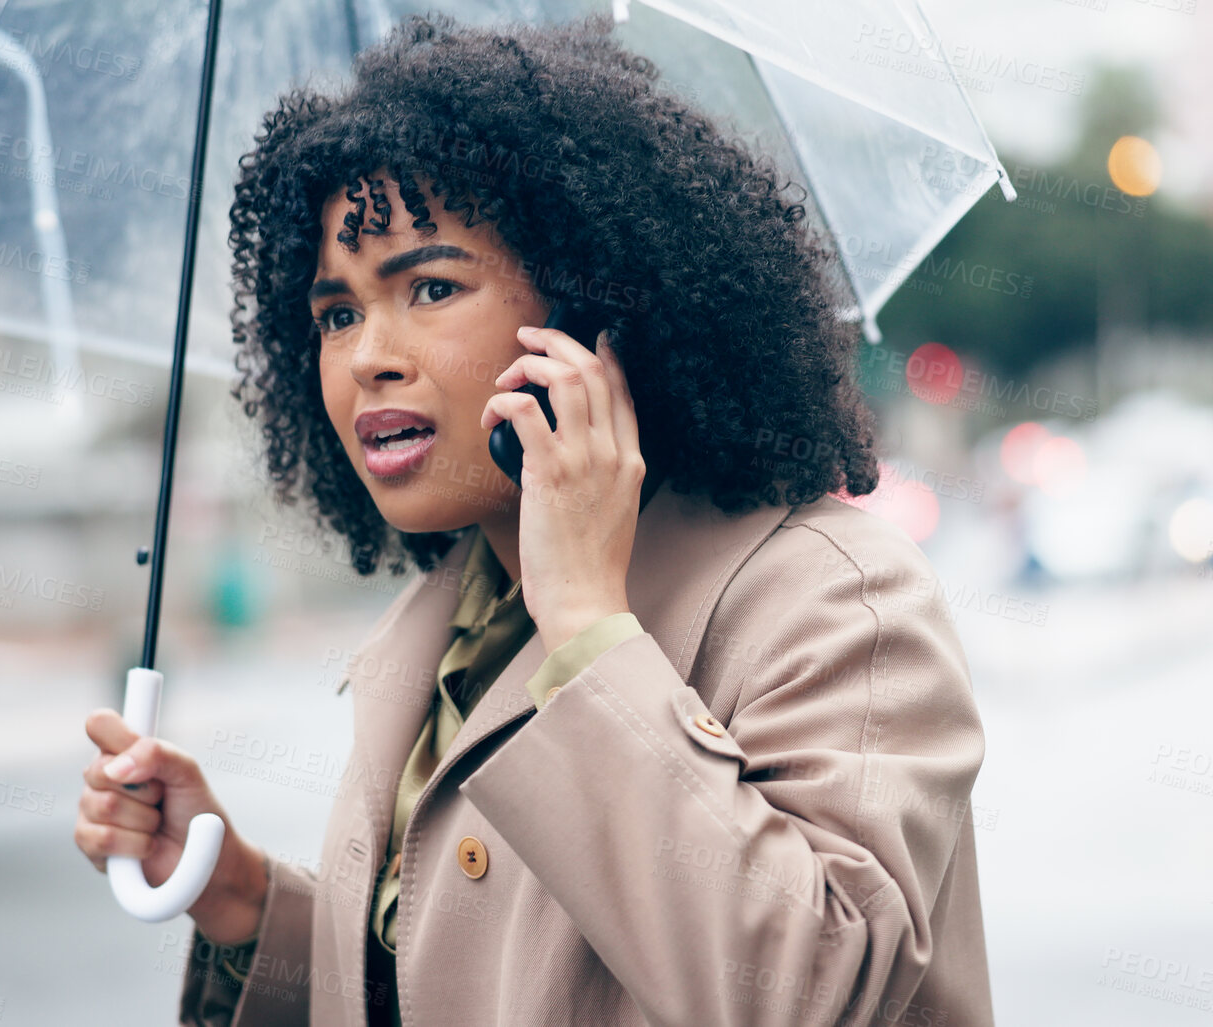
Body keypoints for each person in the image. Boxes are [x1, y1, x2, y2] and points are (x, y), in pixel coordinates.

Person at [75, 12, 992, 1026]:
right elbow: (461, 975)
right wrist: (244, 896)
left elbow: (809, 990)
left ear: (595, 312)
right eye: (336, 313)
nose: (368, 354)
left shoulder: (832, 595)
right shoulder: (446, 624)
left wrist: (590, 627)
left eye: (429, 285)